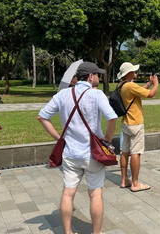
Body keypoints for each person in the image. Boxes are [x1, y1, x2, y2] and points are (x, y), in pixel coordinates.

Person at [37, 62, 118, 234]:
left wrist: (59, 138)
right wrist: (108, 139)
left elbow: (42, 116)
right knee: (95, 194)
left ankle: (68, 232)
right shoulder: (97, 95)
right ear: (90, 76)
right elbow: (112, 117)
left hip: (70, 153)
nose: (98, 77)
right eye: (97, 74)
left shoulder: (62, 95)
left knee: (68, 193)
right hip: (93, 154)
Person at [117, 62, 158, 192]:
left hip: (126, 122)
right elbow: (150, 94)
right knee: (136, 152)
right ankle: (135, 183)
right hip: (135, 122)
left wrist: (148, 84)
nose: (135, 72)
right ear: (128, 73)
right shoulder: (130, 85)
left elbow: (138, 91)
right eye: (133, 71)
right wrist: (156, 84)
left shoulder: (122, 85)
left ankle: (124, 180)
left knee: (125, 151)